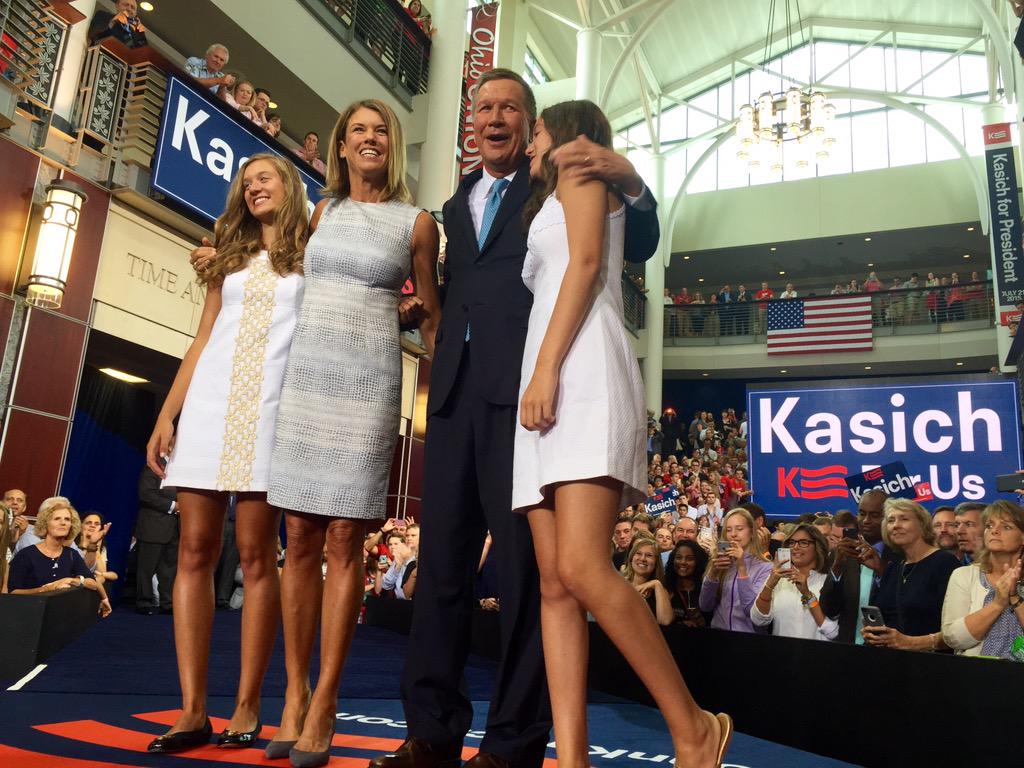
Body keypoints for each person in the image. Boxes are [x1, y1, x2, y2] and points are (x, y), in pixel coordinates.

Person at [373, 70, 668, 768]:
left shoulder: (553, 188)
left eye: (512, 108)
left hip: (531, 397)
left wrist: (630, 179)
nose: (496, 118)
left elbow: (636, 239)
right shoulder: (453, 203)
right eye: (485, 107)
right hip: (452, 395)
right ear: (471, 122)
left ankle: (512, 744)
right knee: (440, 568)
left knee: (529, 577)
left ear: (534, 127)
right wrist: (424, 315)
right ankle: (432, 733)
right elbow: (457, 288)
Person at [510, 98, 730, 768]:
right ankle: (571, 758)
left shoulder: (583, 173)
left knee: (581, 566)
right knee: (555, 585)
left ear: (567, 135)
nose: (528, 143)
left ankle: (694, 727)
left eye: (536, 130)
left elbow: (584, 267)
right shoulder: (547, 198)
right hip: (546, 374)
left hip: (578, 371)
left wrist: (545, 370)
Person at [264, 99, 440, 767]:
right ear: (340, 145)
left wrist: (445, 395)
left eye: (380, 131)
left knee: (344, 537)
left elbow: (430, 315)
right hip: (308, 380)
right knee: (298, 536)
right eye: (357, 130)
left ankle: (327, 701)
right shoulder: (322, 212)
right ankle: (294, 694)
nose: (369, 139)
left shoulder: (416, 223)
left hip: (368, 385)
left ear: (393, 146)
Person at [144, 154, 308, 754]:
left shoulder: (311, 253)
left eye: (265, 177)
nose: (253, 186)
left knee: (257, 556)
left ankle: (247, 704)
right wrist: (168, 413)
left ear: (289, 186)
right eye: (246, 181)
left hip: (271, 410)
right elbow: (203, 335)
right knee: (194, 550)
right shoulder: (227, 255)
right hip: (210, 406)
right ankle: (191, 710)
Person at [861, 499, 959, 651]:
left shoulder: (945, 563)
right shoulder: (894, 568)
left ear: (922, 524)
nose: (896, 525)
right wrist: (873, 632)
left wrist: (910, 642)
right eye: (891, 520)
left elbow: (958, 629)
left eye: (904, 519)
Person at [942, 500, 1024, 658]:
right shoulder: (964, 575)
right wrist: (997, 604)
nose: (994, 531)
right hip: (978, 670)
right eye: (989, 526)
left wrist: (1015, 598)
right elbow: (953, 638)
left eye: (1006, 527)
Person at [5, 498, 112, 617]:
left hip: (60, 618)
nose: (63, 523)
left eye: (67, 519)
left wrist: (70, 580)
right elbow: (13, 593)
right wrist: (46, 589)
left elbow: (92, 583)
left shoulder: (71, 554)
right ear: (45, 524)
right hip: (28, 616)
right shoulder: (26, 554)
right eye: (57, 519)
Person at [819, 489, 891, 644]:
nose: (866, 520)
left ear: (888, 517)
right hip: (848, 647)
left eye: (875, 515)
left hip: (888, 648)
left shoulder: (900, 555)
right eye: (862, 514)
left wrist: (881, 570)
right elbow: (829, 609)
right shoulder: (842, 553)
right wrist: (837, 568)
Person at [751, 524, 837, 641]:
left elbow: (833, 632)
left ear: (817, 546)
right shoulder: (778, 579)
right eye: (791, 543)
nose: (795, 547)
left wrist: (807, 594)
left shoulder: (828, 581)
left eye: (803, 542)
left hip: (817, 651)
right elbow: (758, 619)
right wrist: (770, 583)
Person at [699, 508, 773, 633]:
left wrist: (741, 567)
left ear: (752, 532)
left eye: (739, 529)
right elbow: (705, 606)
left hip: (749, 639)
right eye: (728, 530)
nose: (733, 534)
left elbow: (751, 612)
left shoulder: (765, 567)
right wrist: (712, 574)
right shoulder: (720, 561)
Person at [134, 465, 179, 614]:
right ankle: (144, 603)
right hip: (153, 527)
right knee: (146, 569)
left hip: (175, 528)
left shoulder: (180, 468)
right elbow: (146, 494)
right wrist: (174, 505)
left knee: (169, 569)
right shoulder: (154, 467)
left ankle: (167, 604)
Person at [621, 537, 673, 626]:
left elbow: (665, 621)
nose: (642, 559)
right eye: (638, 553)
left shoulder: (660, 589)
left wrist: (656, 584)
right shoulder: (619, 584)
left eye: (649, 555)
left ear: (656, 562)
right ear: (631, 558)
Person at [664, 540, 709, 627]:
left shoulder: (706, 589)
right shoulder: (665, 588)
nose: (683, 562)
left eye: (689, 559)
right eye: (678, 557)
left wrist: (705, 621)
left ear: (698, 561)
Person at [78, 512, 118, 584]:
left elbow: (102, 574)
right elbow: (83, 571)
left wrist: (97, 548)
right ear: (81, 526)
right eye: (88, 523)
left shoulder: (102, 548)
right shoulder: (72, 544)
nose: (92, 525)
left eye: (97, 524)